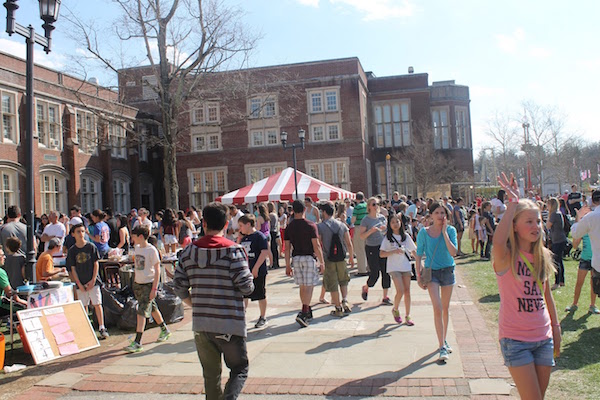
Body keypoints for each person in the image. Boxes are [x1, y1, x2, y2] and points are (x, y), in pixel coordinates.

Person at [173, 202, 254, 400]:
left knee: (210, 376)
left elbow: (179, 286)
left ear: (204, 222)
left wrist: (195, 304)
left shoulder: (187, 252)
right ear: (226, 224)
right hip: (229, 323)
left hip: (202, 324)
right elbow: (247, 287)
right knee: (239, 368)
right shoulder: (233, 251)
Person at [492, 173, 561, 400]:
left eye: (538, 221)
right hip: (515, 340)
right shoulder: (506, 257)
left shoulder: (542, 256)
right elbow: (498, 241)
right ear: (516, 226)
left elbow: (547, 297)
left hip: (543, 337)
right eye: (529, 222)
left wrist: (556, 330)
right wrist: (512, 204)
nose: (536, 226)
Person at [416, 202, 458, 362]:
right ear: (431, 215)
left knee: (445, 308)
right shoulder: (423, 233)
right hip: (431, 272)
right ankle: (441, 346)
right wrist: (419, 276)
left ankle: (444, 338)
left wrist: (445, 233)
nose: (440, 216)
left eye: (443, 213)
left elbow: (453, 252)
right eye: (437, 213)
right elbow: (419, 254)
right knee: (437, 308)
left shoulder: (451, 230)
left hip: (447, 271)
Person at [123, 225, 171, 353]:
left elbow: (157, 270)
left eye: (133, 236)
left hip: (148, 284)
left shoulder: (152, 250)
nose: (132, 238)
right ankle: (164, 329)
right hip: (138, 283)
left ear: (140, 236)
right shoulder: (137, 248)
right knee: (152, 307)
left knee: (142, 311)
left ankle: (138, 341)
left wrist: (154, 288)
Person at [284, 200, 325, 328]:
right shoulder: (310, 225)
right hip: (308, 257)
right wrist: (322, 261)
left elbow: (287, 247)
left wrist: (287, 265)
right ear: (304, 210)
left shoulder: (289, 227)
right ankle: (304, 311)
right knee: (309, 285)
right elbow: (316, 245)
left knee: (302, 286)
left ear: (292, 211)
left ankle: (306, 309)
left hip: (296, 258)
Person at [66, 224, 109, 339]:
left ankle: (102, 326)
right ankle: (86, 327)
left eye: (82, 231)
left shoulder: (91, 247)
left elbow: (96, 263)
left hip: (92, 281)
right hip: (81, 281)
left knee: (97, 303)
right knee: (83, 305)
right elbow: (72, 268)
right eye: (78, 232)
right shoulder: (72, 251)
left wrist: (93, 279)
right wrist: (78, 283)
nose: (81, 234)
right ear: (73, 234)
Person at [318, 201, 354, 317]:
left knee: (332, 283)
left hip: (328, 259)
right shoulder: (342, 225)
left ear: (324, 212)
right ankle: (345, 300)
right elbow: (349, 243)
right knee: (343, 280)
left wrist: (320, 261)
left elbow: (318, 244)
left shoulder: (320, 227)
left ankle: (338, 308)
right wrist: (351, 257)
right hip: (341, 257)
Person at [380, 213, 417, 325]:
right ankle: (395, 309)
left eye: (397, 222)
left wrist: (420, 263)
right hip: (394, 267)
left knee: (407, 291)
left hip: (405, 265)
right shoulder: (388, 238)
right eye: (392, 222)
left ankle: (408, 315)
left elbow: (414, 251)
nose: (395, 224)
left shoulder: (406, 236)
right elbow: (381, 254)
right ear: (389, 225)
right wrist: (393, 251)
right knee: (400, 290)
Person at [239, 214, 270, 328]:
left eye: (241, 225)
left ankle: (263, 317)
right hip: (245, 272)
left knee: (260, 294)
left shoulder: (259, 236)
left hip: (258, 271)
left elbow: (264, 252)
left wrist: (256, 267)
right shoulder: (243, 239)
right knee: (244, 295)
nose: (240, 228)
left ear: (248, 224)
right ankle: (242, 317)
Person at [359, 197, 391, 304]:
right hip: (371, 247)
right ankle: (366, 287)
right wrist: (371, 231)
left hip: (382, 247)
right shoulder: (366, 220)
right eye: (373, 204)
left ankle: (385, 297)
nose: (376, 206)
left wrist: (384, 230)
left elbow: (387, 231)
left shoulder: (382, 218)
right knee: (375, 273)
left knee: (386, 272)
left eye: (377, 204)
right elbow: (362, 236)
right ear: (369, 206)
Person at [565, 232, 599, 314]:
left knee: (593, 283)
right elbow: (575, 245)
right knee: (579, 282)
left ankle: (592, 305)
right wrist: (576, 234)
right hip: (585, 259)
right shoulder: (584, 230)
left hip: (595, 259)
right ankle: (574, 304)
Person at [546, 198, 567, 290]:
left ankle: (557, 282)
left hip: (557, 240)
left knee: (556, 261)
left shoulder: (554, 214)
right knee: (560, 261)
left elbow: (548, 226)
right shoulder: (558, 213)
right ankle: (562, 280)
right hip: (560, 239)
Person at [351, 192, 368, 276]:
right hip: (368, 227)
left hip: (359, 227)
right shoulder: (367, 205)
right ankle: (369, 268)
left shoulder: (357, 207)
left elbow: (353, 220)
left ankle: (362, 270)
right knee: (367, 248)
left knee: (359, 249)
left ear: (356, 199)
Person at [267, 202, 281, 269]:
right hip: (275, 232)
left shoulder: (270, 215)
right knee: (275, 248)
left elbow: (269, 225)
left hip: (271, 231)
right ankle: (276, 263)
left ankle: (274, 263)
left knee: (273, 248)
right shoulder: (275, 214)